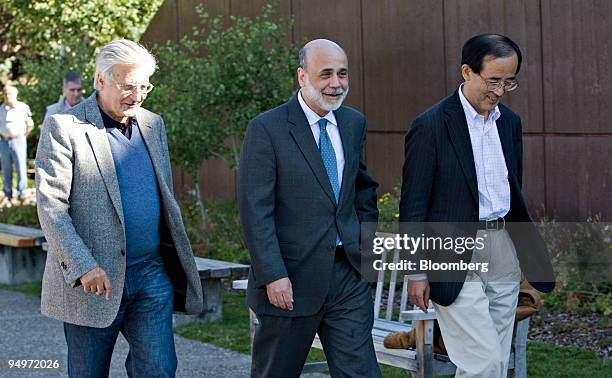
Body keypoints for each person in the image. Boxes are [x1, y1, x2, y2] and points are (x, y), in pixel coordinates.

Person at [35, 39, 203, 377]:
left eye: (144, 86)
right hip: (94, 282)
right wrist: (83, 266)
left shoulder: (153, 124)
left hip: (150, 275)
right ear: (100, 80)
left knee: (159, 369)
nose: (137, 95)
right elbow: (51, 207)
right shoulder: (64, 127)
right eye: (128, 86)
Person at [399, 34, 554, 377]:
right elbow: (412, 207)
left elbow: (512, 192)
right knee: (481, 362)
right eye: (493, 80)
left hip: (502, 248)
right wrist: (416, 271)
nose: (500, 92)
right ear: (467, 71)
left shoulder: (510, 124)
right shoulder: (430, 126)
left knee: (496, 361)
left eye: (509, 82)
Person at [238, 39, 381, 377]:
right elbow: (255, 210)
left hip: (347, 277)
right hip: (289, 281)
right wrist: (273, 274)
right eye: (326, 74)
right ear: (302, 77)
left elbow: (363, 191)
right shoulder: (267, 129)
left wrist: (367, 252)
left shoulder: (353, 123)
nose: (336, 83)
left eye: (343, 74)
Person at [0, 83, 33, 201]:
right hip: (3, 142)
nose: (7, 96)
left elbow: (30, 125)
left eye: (10, 94)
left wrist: (23, 136)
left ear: (15, 95)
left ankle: (22, 191)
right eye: (5, 94)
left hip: (18, 140)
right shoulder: (1, 109)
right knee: (6, 168)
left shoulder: (22, 107)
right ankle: (7, 192)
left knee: (20, 166)